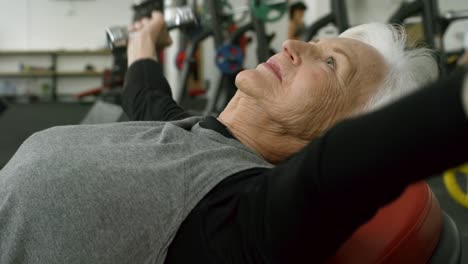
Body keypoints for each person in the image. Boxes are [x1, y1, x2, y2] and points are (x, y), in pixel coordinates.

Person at [0, 12, 467, 264]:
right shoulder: (192, 133)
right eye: (317, 45)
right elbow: (145, 93)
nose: (294, 45)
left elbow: (340, 171)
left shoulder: (236, 213)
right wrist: (145, 39)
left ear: (344, 130)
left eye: (329, 63)